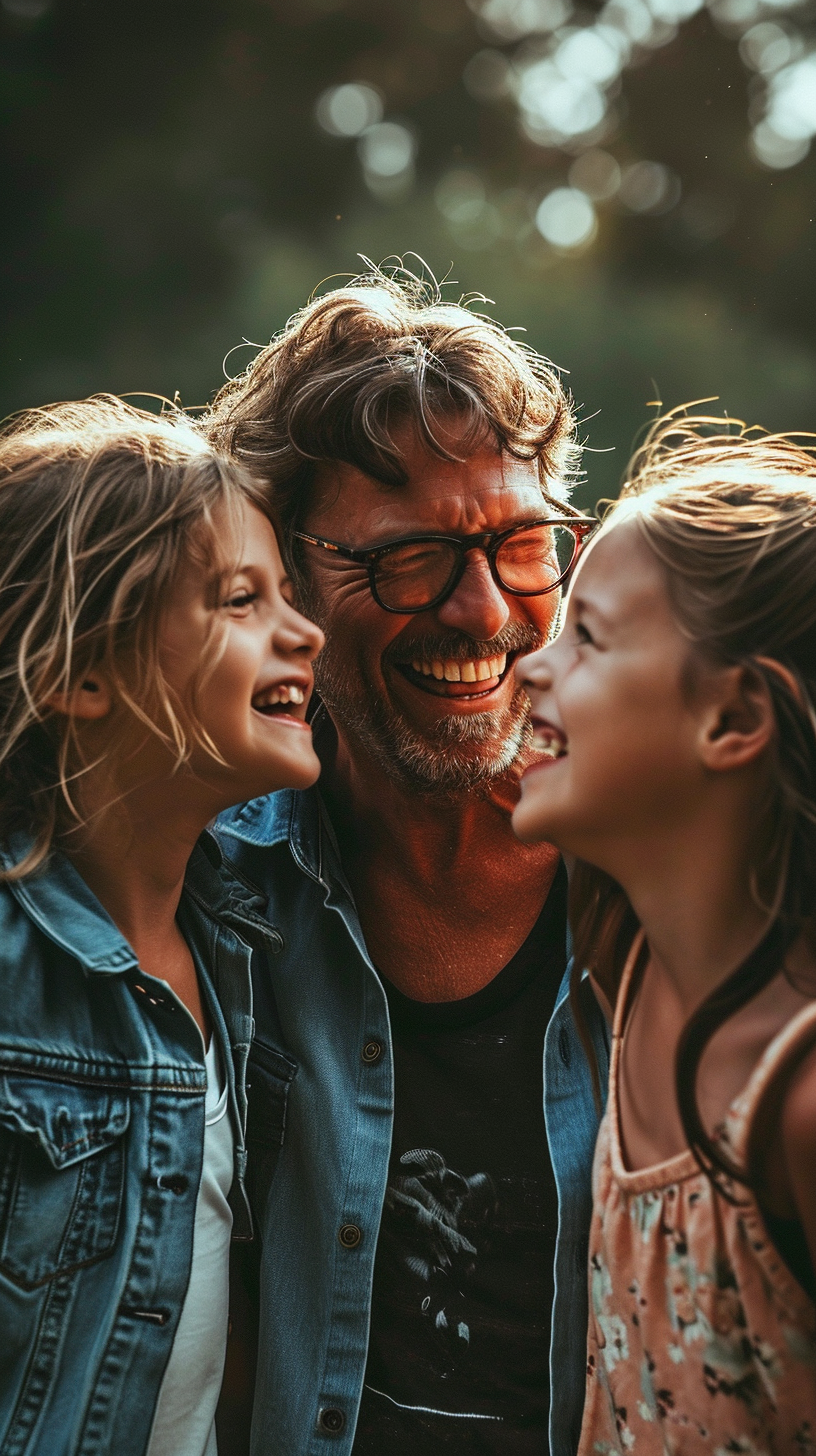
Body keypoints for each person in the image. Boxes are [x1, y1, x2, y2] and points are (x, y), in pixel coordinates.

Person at [207, 267, 608, 1456]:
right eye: (411, 557)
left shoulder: (669, 870)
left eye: (523, 544)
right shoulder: (204, 883)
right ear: (285, 574)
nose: (483, 614)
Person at [0, 396, 324, 1456]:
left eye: (289, 591)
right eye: (240, 598)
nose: (304, 629)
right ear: (77, 674)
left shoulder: (245, 945)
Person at [513, 413, 816, 1454]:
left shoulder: (799, 1103)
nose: (530, 668)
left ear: (731, 721)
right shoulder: (622, 956)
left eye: (586, 637)